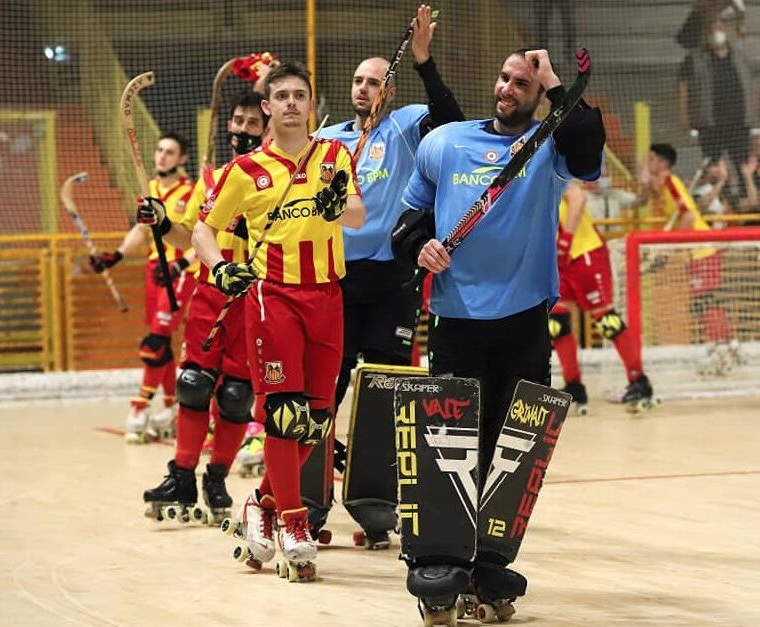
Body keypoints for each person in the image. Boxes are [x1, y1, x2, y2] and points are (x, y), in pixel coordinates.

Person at [392, 48, 605, 616]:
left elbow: (587, 142)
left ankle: (488, 563)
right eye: (504, 77)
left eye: (522, 83)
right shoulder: (446, 142)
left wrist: (559, 82)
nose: (508, 88)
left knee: (513, 450)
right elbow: (408, 220)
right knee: (449, 448)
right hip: (457, 320)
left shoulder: (551, 146)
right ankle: (440, 562)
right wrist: (422, 245)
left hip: (524, 322)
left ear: (539, 96)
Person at [192, 61, 363, 577]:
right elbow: (204, 230)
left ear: (312, 104)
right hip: (274, 298)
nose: (291, 103)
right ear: (267, 107)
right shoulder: (242, 172)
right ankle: (292, 519)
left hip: (329, 296)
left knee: (316, 420)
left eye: (300, 95)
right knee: (284, 414)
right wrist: (221, 268)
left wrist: (338, 204)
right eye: (281, 96)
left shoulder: (334, 155)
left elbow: (357, 213)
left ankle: (260, 505)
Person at [319, 4, 463, 414]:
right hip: (337, 278)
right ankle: (319, 464)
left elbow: (452, 121)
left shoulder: (404, 124)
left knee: (388, 384)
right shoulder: (324, 139)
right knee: (331, 377)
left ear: (391, 91)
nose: (363, 88)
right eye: (358, 81)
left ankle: (381, 471)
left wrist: (423, 61)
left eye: (374, 82)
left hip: (392, 277)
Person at [138, 91, 269, 523]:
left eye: (252, 123)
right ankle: (181, 475)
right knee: (194, 383)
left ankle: (216, 478)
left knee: (235, 395)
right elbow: (186, 235)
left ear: (265, 128)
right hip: (211, 291)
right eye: (238, 121)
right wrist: (161, 220)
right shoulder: (211, 179)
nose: (243, 130)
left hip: (253, 297)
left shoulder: (279, 179)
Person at [90, 132, 197, 442]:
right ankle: (171, 405)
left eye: (170, 152)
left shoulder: (190, 192)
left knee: (155, 340)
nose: (162, 156)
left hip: (179, 270)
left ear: (182, 159)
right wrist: (117, 255)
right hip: (154, 270)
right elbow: (140, 229)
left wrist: (183, 264)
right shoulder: (149, 189)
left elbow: (202, 233)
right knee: (160, 345)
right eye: (160, 150)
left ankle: (139, 407)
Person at [634, 143, 740, 374]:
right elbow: (643, 189)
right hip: (694, 251)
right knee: (702, 303)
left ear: (662, 163)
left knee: (707, 301)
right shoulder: (661, 187)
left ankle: (725, 349)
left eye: (650, 159)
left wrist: (671, 247)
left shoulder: (671, 183)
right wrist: (645, 168)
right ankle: (724, 347)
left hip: (701, 247)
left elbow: (690, 216)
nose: (646, 163)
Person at [551, 181, 654, 412]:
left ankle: (638, 381)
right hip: (557, 257)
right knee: (556, 322)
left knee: (605, 319)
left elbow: (578, 198)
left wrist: (566, 239)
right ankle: (574, 386)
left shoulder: (550, 163)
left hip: (584, 251)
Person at [678, 18, 754, 171]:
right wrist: (684, 114)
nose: (716, 33)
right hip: (710, 123)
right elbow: (683, 85)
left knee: (742, 164)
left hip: (738, 121)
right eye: (712, 29)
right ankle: (716, 192)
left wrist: (752, 112)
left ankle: (744, 193)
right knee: (714, 166)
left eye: (719, 28)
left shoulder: (739, 56)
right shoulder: (695, 58)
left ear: (726, 30)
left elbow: (751, 83)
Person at [691, 155, 734, 228]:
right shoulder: (696, 187)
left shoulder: (722, 190)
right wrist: (721, 182)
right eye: (718, 166)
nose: (723, 171)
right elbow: (700, 207)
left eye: (724, 167)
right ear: (708, 168)